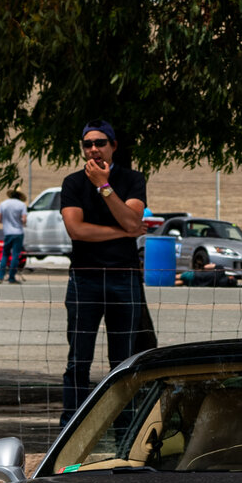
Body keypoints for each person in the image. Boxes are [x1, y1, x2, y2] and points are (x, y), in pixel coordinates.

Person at [60, 121, 158, 418]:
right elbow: (76, 230)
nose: (93, 149)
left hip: (123, 278)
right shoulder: (73, 183)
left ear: (113, 145)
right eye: (87, 144)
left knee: (123, 360)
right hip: (84, 278)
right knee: (79, 359)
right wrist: (123, 232)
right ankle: (70, 428)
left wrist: (104, 186)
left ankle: (122, 431)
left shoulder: (132, 179)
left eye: (100, 142)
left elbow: (132, 221)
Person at [0, 189, 28, 282]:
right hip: (18, 233)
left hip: (7, 232)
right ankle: (11, 277)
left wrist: (6, 222)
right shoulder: (22, 205)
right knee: (15, 255)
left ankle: (0, 276)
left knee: (5, 254)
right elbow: (24, 220)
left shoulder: (3, 204)